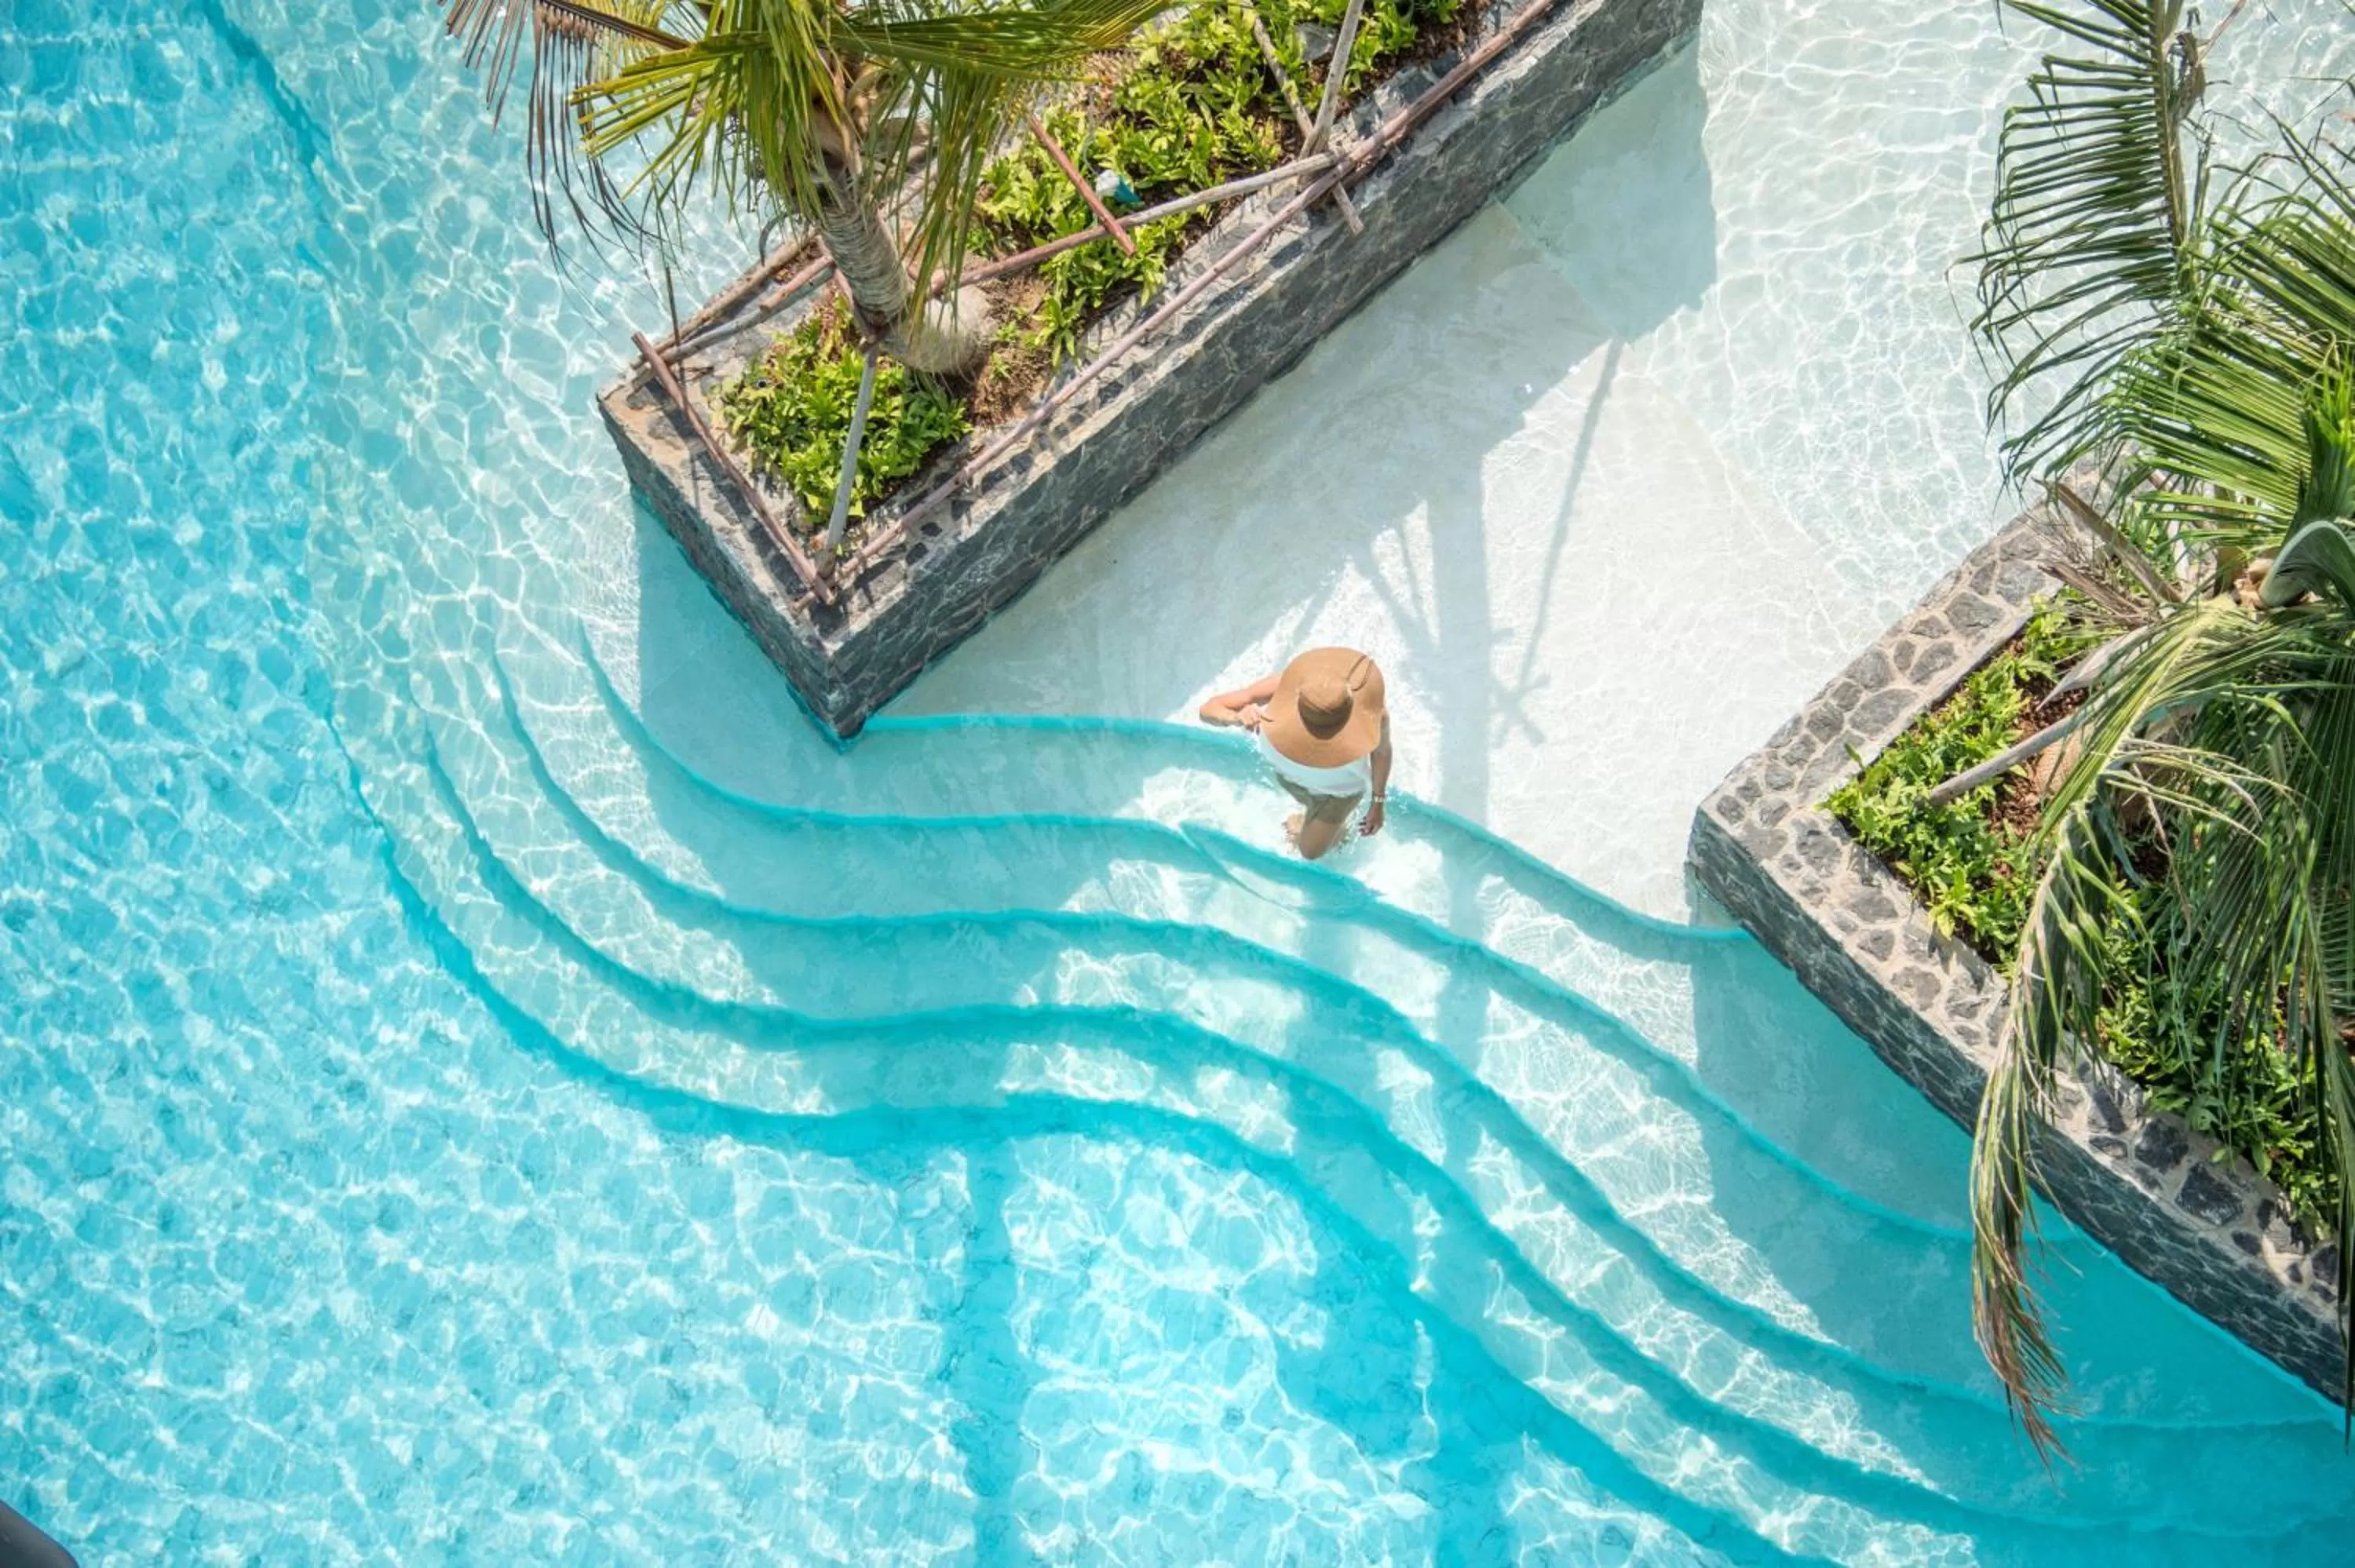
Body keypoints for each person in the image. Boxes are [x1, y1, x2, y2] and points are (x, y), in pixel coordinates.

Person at [1198, 647, 1392, 860]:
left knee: (1310, 852)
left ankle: (1331, 827)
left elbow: (1381, 753)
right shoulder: (1286, 687)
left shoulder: (1372, 715)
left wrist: (1378, 802)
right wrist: (1235, 717)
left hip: (1340, 794)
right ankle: (1311, 818)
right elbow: (1208, 709)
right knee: (1308, 818)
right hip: (1291, 778)